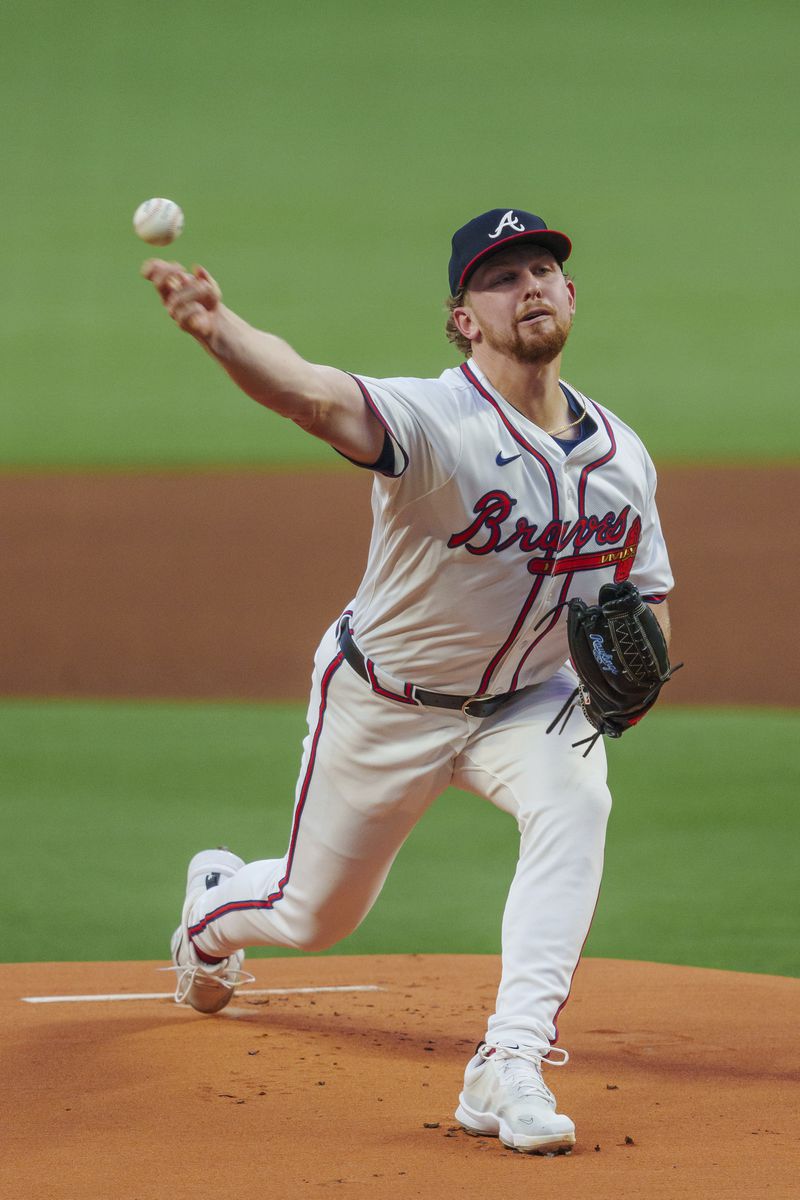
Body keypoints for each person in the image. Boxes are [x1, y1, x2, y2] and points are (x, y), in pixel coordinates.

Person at [143, 207, 673, 1156]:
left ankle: (508, 1062)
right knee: (315, 914)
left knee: (578, 798)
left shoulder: (621, 457)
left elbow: (649, 595)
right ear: (462, 317)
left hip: (530, 706)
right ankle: (211, 908)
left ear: (572, 293)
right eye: (502, 278)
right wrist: (221, 331)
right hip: (387, 702)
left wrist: (639, 676)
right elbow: (312, 396)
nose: (531, 287)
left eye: (544, 269)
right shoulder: (435, 422)